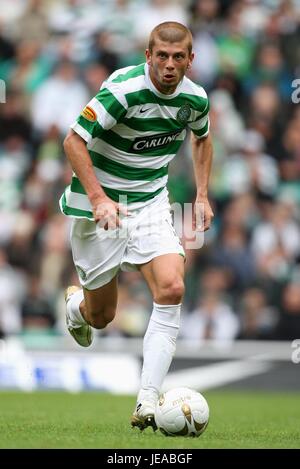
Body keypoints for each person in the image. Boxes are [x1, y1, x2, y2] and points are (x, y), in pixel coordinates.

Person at [60, 21, 214, 431]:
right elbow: (73, 141)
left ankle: (147, 401)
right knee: (102, 316)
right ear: (148, 56)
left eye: (177, 57)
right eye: (160, 56)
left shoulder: (196, 99)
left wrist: (201, 194)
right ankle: (76, 308)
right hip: (100, 206)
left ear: (190, 60)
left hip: (149, 202)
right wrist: (98, 198)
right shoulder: (122, 90)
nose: (168, 65)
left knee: (172, 286)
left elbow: (201, 137)